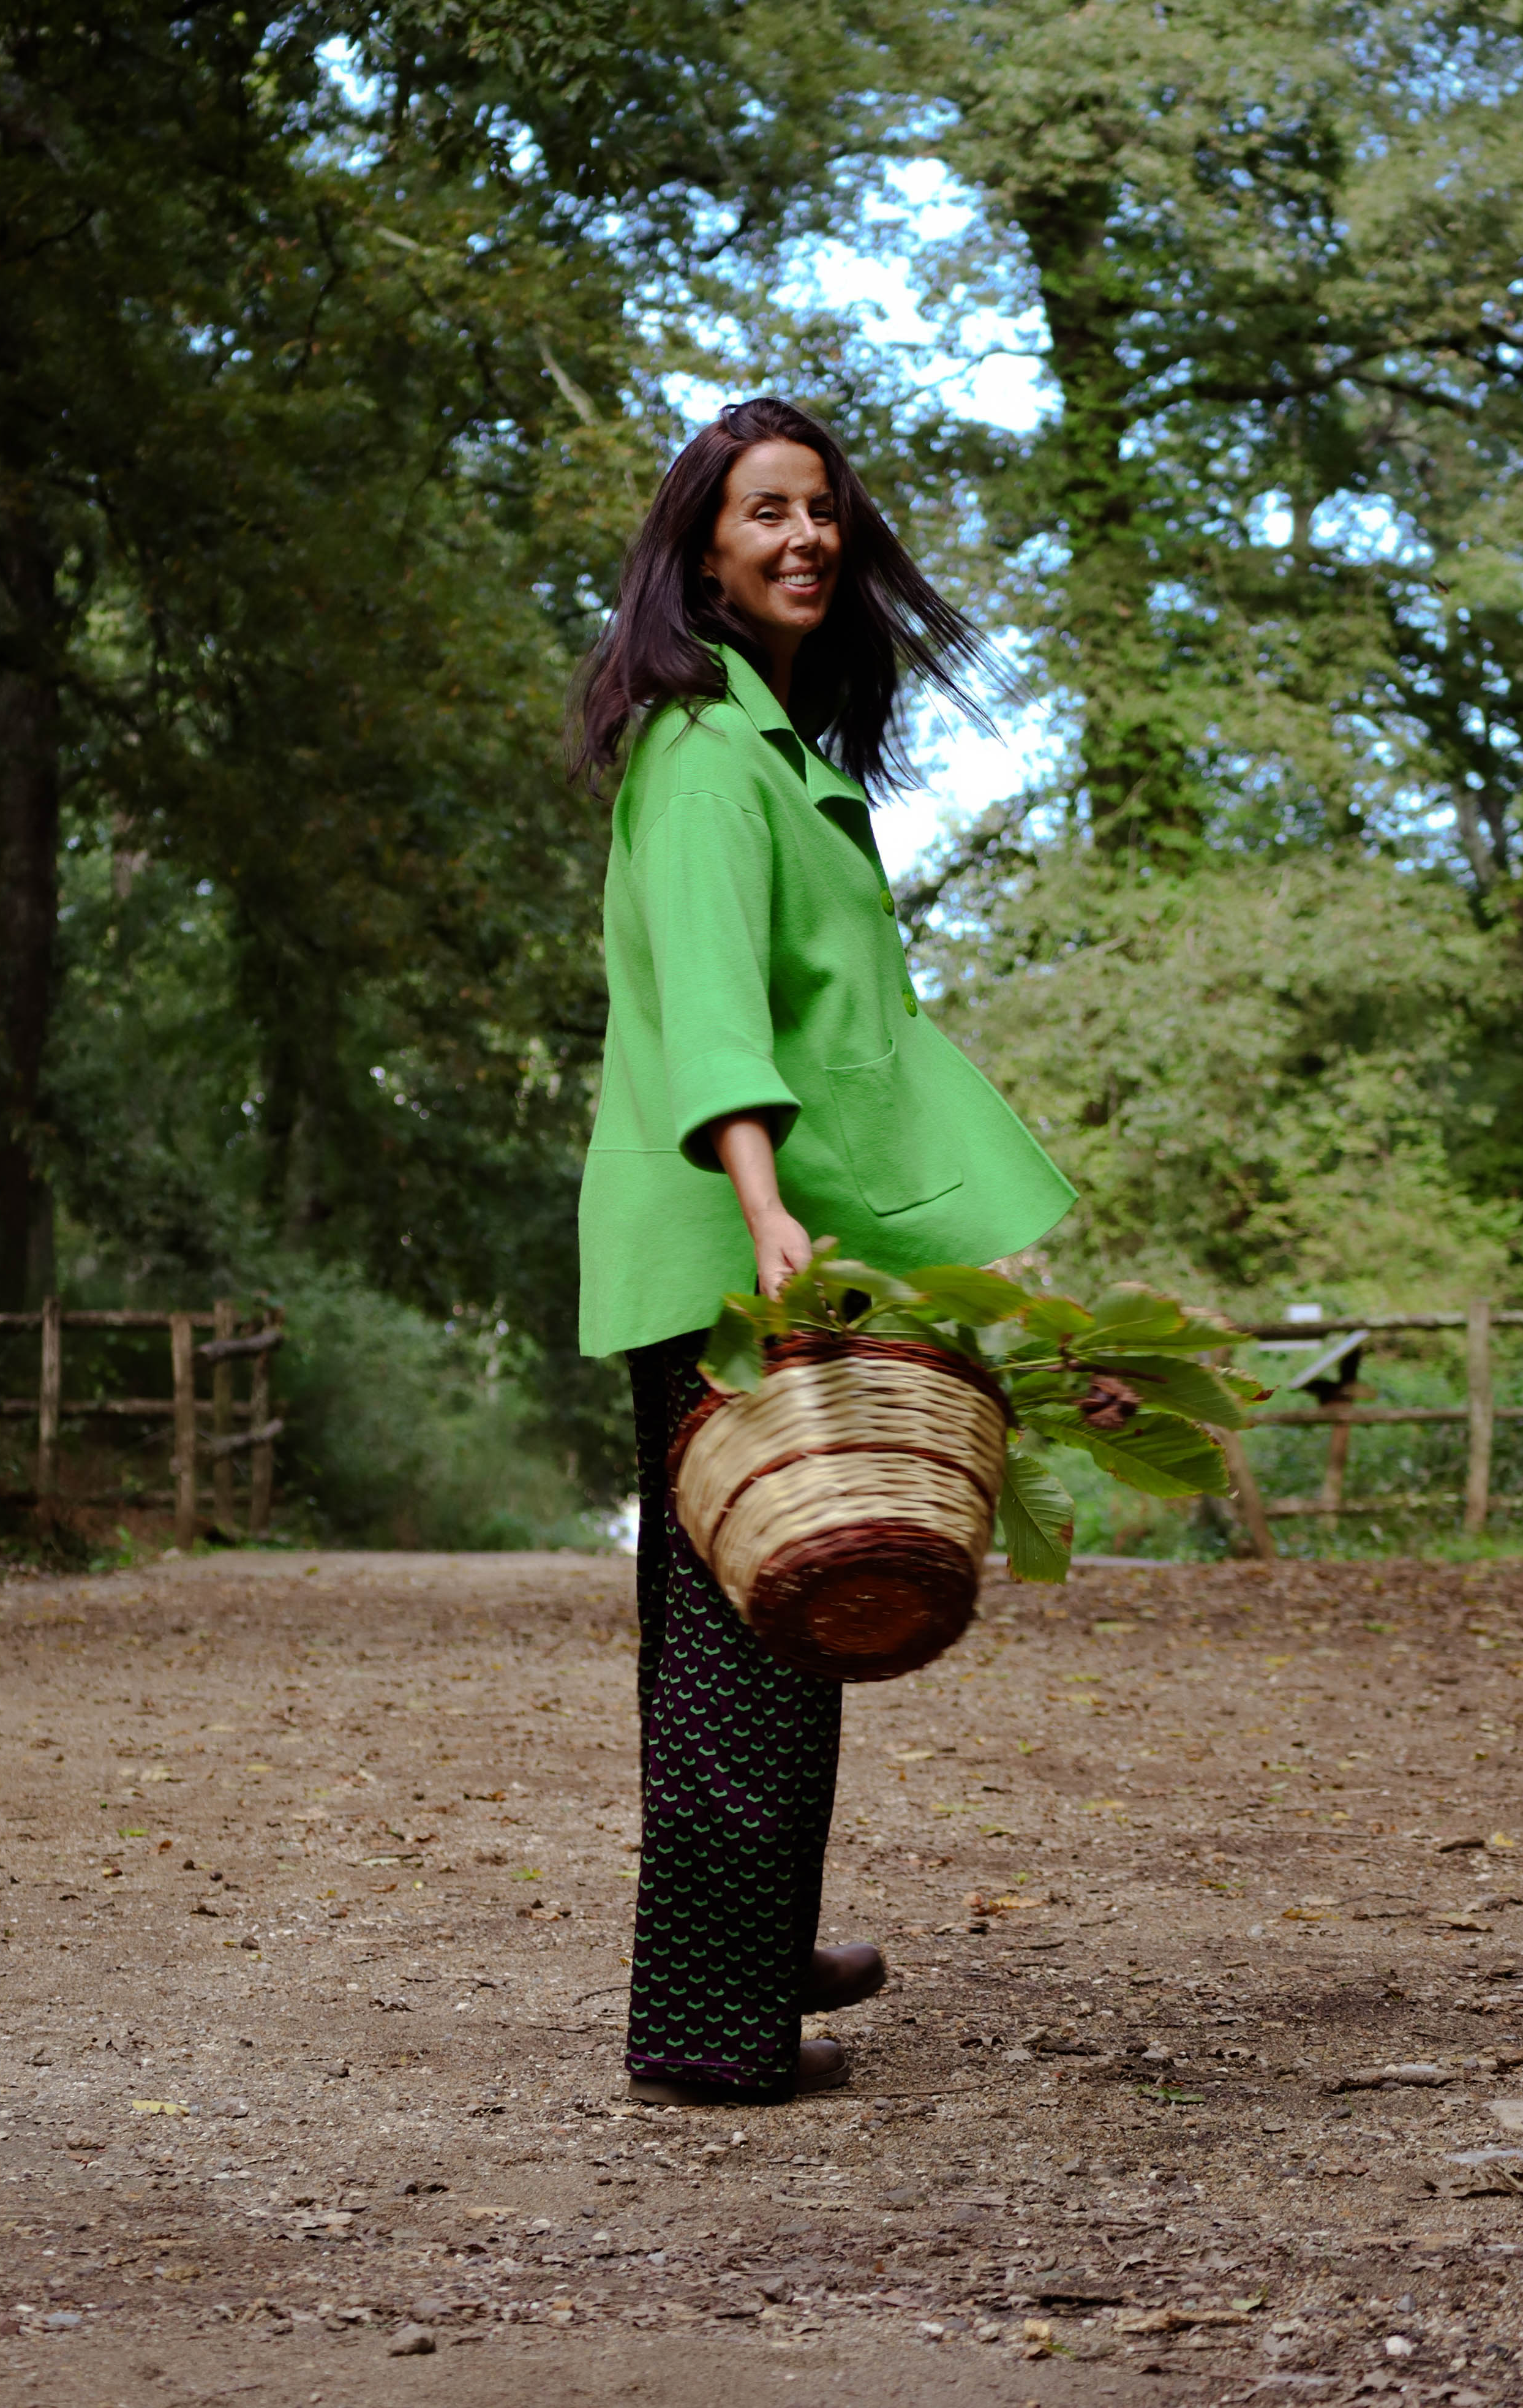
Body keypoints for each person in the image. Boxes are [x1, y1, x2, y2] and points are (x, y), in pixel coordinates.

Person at [573, 396, 1074, 2104]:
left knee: (781, 1596)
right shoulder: (708, 749)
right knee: (751, 1624)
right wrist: (771, 1209)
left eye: (822, 512)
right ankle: (710, 2026)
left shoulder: (773, 746)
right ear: (701, 548)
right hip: (735, 1240)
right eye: (764, 511)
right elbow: (714, 1002)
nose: (804, 537)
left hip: (772, 1228)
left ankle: (753, 1945)